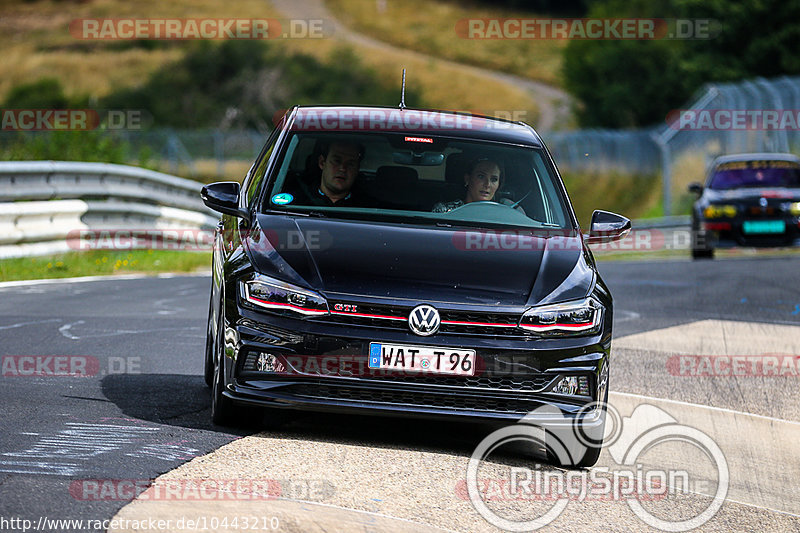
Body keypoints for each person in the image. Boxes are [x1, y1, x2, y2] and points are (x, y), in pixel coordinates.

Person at [287, 140, 369, 207]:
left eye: (350, 164)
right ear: (322, 163)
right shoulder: (294, 203)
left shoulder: (369, 208)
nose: (342, 169)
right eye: (337, 161)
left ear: (357, 169)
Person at [433, 157, 508, 213]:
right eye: (481, 177)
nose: (487, 184)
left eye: (494, 179)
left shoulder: (504, 215)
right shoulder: (444, 211)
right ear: (467, 179)